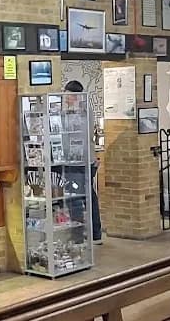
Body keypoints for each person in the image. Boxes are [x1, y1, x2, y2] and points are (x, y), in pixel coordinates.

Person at [64, 80, 103, 245]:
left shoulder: (76, 113)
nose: (65, 99)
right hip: (88, 161)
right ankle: (95, 234)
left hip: (76, 163)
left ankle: (78, 236)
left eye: (67, 95)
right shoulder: (88, 110)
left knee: (75, 198)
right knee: (89, 196)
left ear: (73, 95)